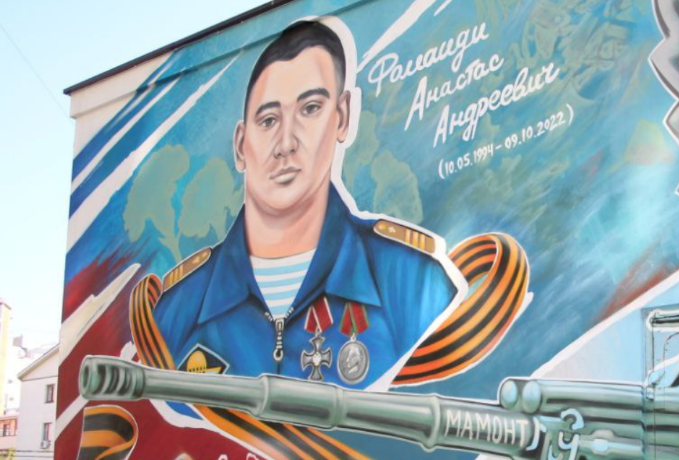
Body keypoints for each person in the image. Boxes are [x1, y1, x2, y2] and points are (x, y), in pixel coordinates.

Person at [142, 21, 461, 390]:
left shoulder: (411, 283)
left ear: (342, 117)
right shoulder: (178, 309)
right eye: (268, 120)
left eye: (310, 109)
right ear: (241, 145)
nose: (286, 144)